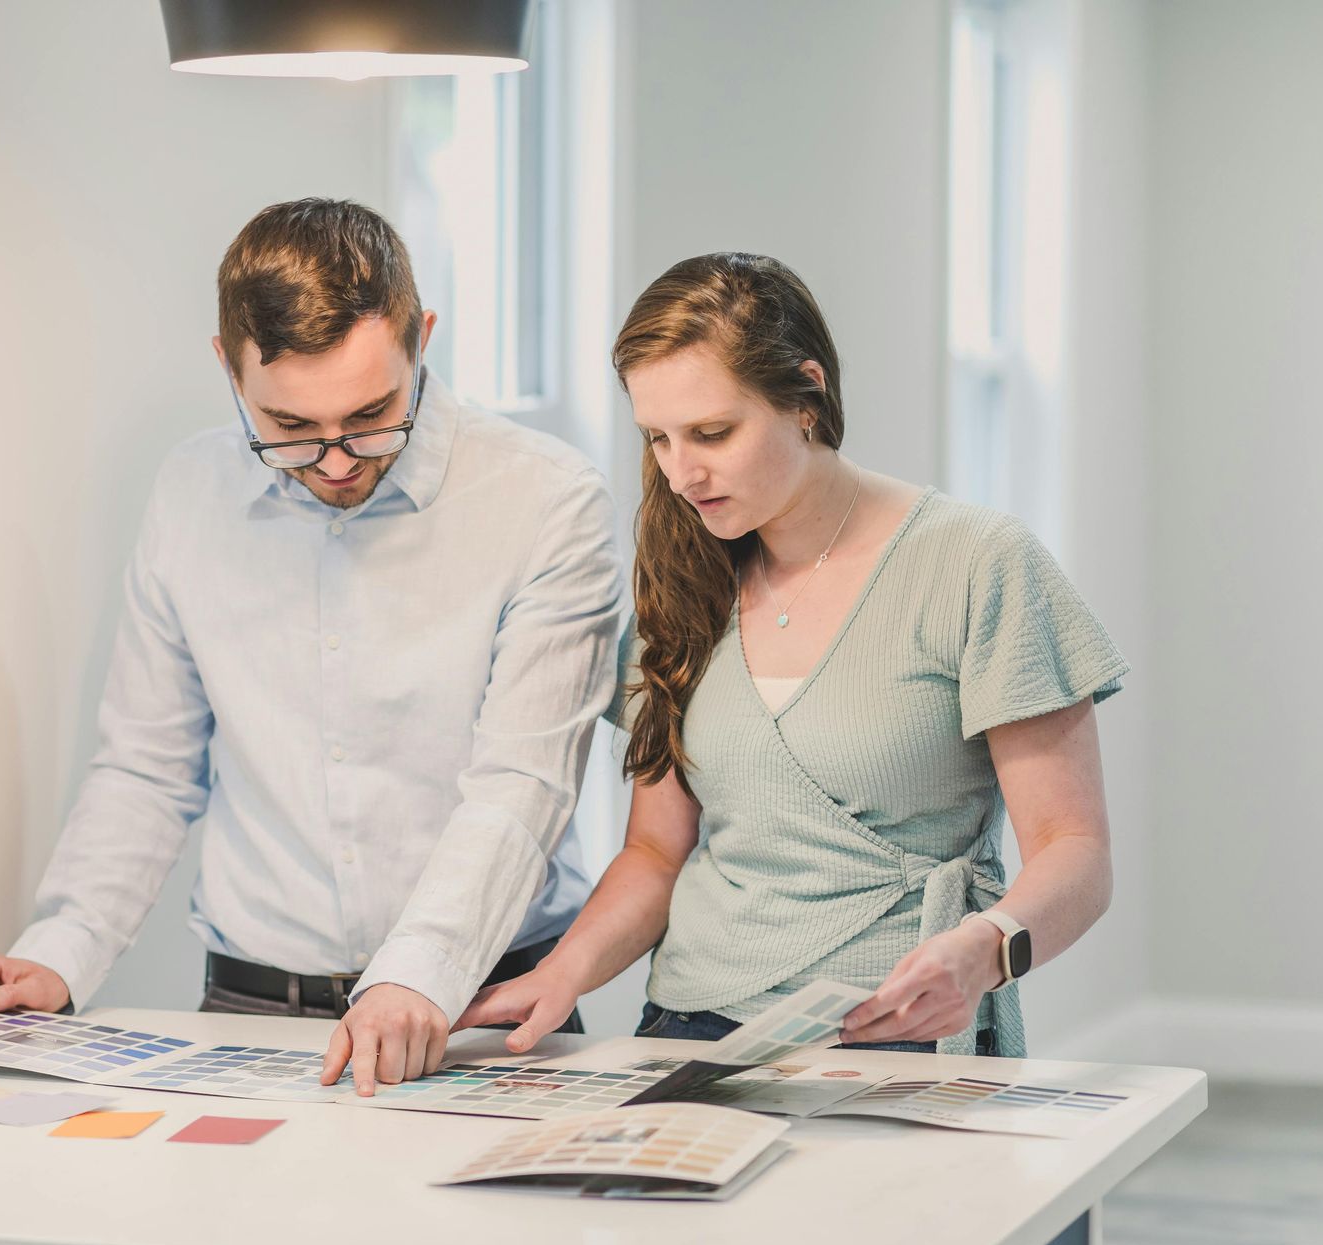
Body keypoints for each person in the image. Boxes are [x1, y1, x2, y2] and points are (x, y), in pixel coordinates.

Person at [0, 199, 622, 1094]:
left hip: (478, 1010)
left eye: (373, 414)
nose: (337, 460)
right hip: (250, 1013)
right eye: (291, 429)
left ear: (423, 338)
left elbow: (521, 785)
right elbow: (147, 766)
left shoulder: (545, 500)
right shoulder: (192, 493)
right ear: (228, 368)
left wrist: (420, 970)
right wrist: (63, 952)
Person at [459, 252, 1127, 1058]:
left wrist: (986, 951)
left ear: (806, 396)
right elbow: (654, 851)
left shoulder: (978, 564)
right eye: (658, 439)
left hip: (895, 1029)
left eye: (713, 433)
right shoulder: (681, 582)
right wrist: (562, 974)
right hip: (689, 1029)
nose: (681, 473)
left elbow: (1075, 854)